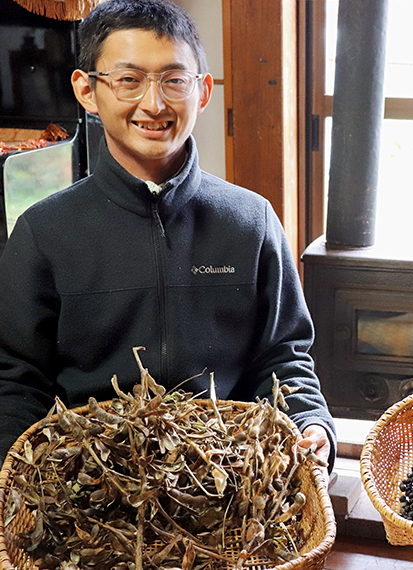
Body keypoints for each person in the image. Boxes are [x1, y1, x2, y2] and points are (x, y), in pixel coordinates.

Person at [0, 0, 336, 471]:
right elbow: (16, 383)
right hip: (87, 487)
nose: (154, 104)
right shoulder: (43, 233)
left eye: (174, 80)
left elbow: (284, 358)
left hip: (229, 482)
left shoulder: (250, 221)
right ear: (87, 91)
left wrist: (311, 425)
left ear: (202, 91)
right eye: (129, 80)